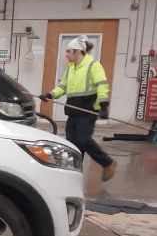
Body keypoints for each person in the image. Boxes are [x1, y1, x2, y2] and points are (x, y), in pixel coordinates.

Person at [41, 35, 116, 182]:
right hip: (74, 110)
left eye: (69, 51)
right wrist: (50, 95)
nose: (66, 54)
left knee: (83, 139)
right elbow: (63, 87)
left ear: (78, 51)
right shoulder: (71, 68)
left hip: (88, 110)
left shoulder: (93, 66)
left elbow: (102, 85)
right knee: (71, 143)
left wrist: (103, 105)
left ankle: (107, 163)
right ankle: (75, 172)